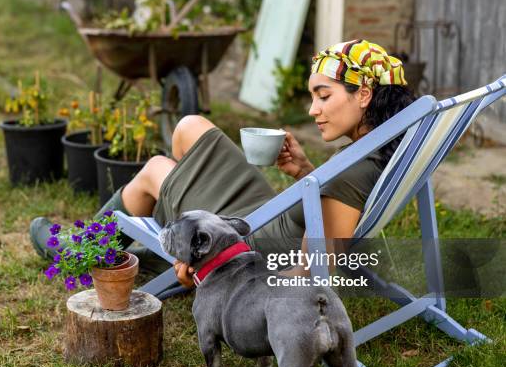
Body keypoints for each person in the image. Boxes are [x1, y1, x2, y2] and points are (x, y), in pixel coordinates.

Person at [30, 39, 414, 288]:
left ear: (363, 94)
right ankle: (158, 245)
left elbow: (309, 276)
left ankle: (81, 250)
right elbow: (329, 208)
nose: (313, 110)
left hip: (250, 241)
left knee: (154, 170)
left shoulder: (354, 167)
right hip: (264, 214)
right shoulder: (377, 150)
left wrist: (209, 258)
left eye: (324, 96)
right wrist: (304, 172)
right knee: (189, 126)